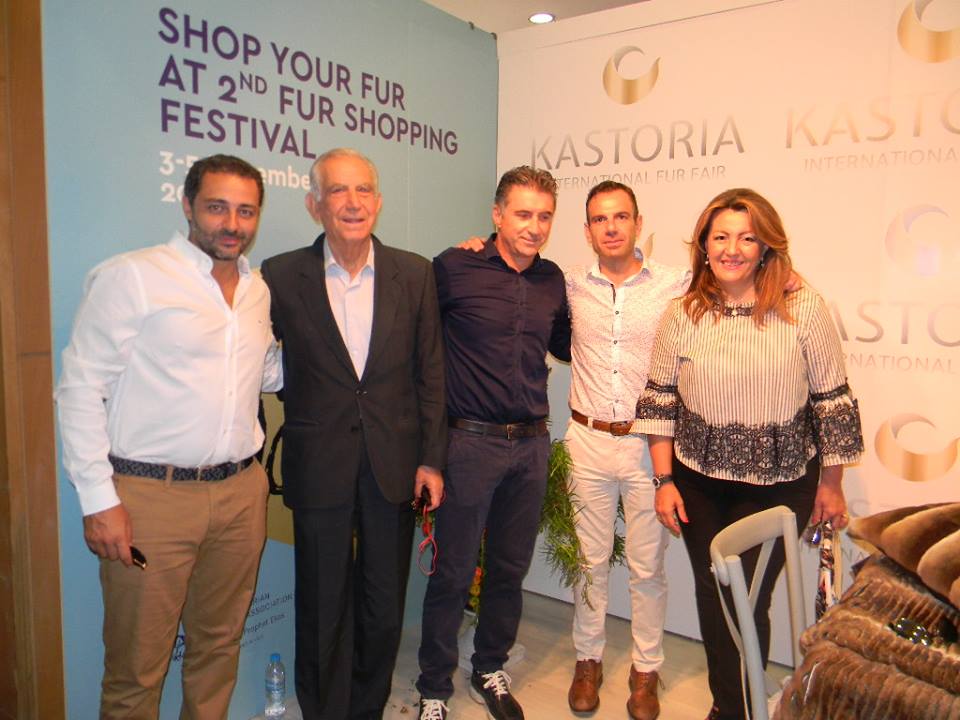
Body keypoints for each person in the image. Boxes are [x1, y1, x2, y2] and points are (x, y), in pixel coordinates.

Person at [56, 154, 282, 718]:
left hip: (241, 494)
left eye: (246, 211)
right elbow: (80, 389)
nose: (232, 223)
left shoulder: (257, 290)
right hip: (150, 501)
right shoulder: (133, 276)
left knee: (219, 648)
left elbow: (266, 371)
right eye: (217, 207)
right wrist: (99, 501)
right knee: (136, 670)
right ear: (187, 205)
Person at [634, 188, 863, 720]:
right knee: (716, 596)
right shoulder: (682, 313)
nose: (732, 249)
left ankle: (741, 707)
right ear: (704, 245)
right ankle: (730, 706)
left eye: (747, 238)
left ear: (766, 247)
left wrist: (831, 484)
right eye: (721, 237)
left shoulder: (803, 307)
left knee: (748, 598)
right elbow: (660, 400)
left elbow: (832, 401)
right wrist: (663, 481)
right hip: (698, 484)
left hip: (781, 485)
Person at [261, 148, 446, 720]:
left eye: (363, 189)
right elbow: (252, 364)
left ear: (379, 201)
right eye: (338, 190)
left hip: (395, 465)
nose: (353, 202)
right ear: (313, 204)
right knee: (321, 604)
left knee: (383, 605)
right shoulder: (279, 275)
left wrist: (432, 460)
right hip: (320, 464)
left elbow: (430, 372)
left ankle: (367, 708)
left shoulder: (413, 273)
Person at [416, 166, 571, 720]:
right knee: (453, 573)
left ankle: (488, 666)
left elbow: (569, 345)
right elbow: (419, 348)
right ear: (497, 214)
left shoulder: (553, 279)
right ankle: (433, 688)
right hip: (468, 445)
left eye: (544, 216)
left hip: (530, 447)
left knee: (509, 569)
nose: (534, 226)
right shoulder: (454, 267)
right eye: (523, 214)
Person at [563, 181, 690, 720]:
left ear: (639, 223)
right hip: (586, 441)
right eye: (599, 219)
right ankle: (587, 659)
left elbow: (738, 283)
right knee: (589, 562)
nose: (610, 227)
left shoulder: (676, 285)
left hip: (647, 447)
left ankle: (645, 669)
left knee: (646, 568)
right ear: (587, 229)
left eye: (620, 217)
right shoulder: (570, 285)